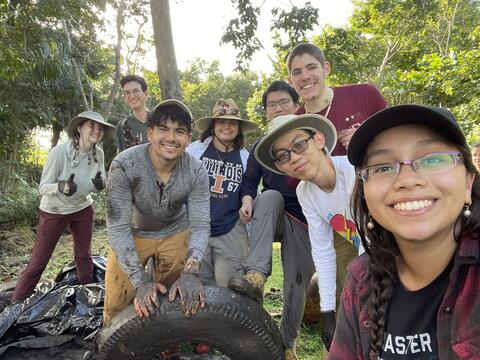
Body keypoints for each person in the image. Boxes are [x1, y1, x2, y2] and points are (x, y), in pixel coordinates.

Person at [329, 104, 480, 359]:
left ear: (468, 182)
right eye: (383, 167)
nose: (408, 180)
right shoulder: (361, 280)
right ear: (364, 194)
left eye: (432, 159)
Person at [253, 113, 361, 354]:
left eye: (299, 145)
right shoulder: (305, 192)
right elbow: (323, 251)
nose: (294, 158)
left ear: (319, 140)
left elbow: (372, 243)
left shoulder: (354, 173)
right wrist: (327, 313)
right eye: (283, 156)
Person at [103, 99, 210, 328]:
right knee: (116, 302)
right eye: (163, 129)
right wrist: (140, 279)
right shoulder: (124, 164)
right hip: (133, 233)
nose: (171, 138)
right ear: (150, 133)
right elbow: (117, 227)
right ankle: (111, 346)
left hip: (175, 233)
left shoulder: (197, 170)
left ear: (188, 139)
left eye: (179, 131)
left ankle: (168, 347)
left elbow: (200, 224)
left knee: (173, 299)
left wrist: (192, 268)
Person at [227, 81, 312, 359]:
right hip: (272, 215)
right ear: (266, 112)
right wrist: (247, 199)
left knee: (296, 287)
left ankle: (287, 344)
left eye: (283, 102)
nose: (277, 108)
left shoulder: (308, 138)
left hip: (304, 221)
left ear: (295, 104)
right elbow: (250, 181)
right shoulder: (261, 148)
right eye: (271, 105)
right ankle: (256, 273)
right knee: (270, 195)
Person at [12, 111, 114, 303]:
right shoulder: (59, 153)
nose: (97, 131)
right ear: (79, 128)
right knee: (38, 262)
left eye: (100, 128)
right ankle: (16, 304)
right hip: (55, 211)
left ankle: (86, 298)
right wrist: (60, 186)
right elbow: (43, 187)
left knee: (84, 255)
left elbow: (98, 181)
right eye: (92, 126)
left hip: (83, 207)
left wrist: (100, 184)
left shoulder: (97, 153)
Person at [187, 99, 258, 288]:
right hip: (195, 228)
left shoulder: (245, 157)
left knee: (230, 288)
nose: (227, 127)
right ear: (213, 126)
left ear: (239, 128)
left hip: (230, 229)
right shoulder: (194, 151)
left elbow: (249, 188)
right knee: (199, 287)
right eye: (222, 122)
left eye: (232, 122)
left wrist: (247, 204)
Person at [286, 42, 387, 155]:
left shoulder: (365, 93)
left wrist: (366, 138)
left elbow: (399, 136)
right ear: (291, 81)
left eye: (311, 67)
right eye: (297, 72)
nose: (305, 77)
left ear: (325, 68)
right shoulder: (294, 125)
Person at [116, 74, 150, 151]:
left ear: (146, 94)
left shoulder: (159, 120)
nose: (131, 96)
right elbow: (123, 156)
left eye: (136, 91)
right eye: (127, 93)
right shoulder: (123, 125)